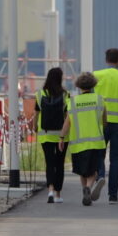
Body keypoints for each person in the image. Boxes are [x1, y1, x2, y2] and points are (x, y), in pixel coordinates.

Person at [58, 72, 107, 206]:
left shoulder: (72, 102)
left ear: (78, 86)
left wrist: (61, 138)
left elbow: (67, 123)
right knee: (93, 170)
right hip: (96, 143)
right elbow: (104, 120)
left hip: (78, 144)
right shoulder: (99, 99)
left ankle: (84, 188)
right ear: (93, 85)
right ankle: (89, 187)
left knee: (82, 171)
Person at [92, 48, 118, 204]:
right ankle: (113, 196)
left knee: (99, 155)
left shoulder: (97, 76)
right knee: (115, 160)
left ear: (106, 59)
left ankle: (100, 176)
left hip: (100, 123)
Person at [32, 67, 68, 203]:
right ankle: (58, 194)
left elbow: (36, 114)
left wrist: (35, 127)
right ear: (60, 79)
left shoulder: (40, 94)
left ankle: (50, 191)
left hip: (45, 134)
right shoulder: (65, 94)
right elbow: (67, 116)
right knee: (59, 163)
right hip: (61, 135)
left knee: (49, 162)